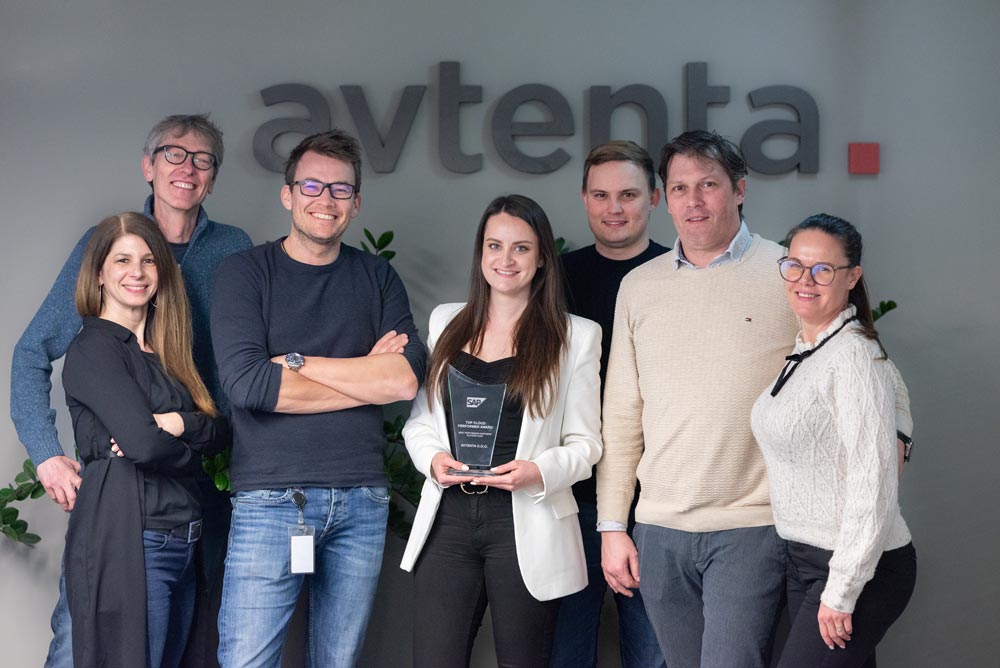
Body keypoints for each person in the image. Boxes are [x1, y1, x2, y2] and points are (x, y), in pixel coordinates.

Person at [597, 130, 913, 668]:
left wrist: (897, 439)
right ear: (664, 198)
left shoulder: (788, 271)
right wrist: (612, 525)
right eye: (680, 188)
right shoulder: (638, 286)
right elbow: (623, 414)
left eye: (708, 185)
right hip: (658, 528)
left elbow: (868, 362)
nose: (694, 201)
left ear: (739, 189)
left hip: (753, 525)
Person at [9, 113, 252, 668]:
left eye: (202, 159)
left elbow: (252, 356)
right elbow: (31, 353)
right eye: (174, 154)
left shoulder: (234, 248)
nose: (187, 168)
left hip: (207, 481)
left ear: (213, 178)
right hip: (130, 490)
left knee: (192, 642)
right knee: (86, 638)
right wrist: (46, 454)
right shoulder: (106, 244)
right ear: (148, 166)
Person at [211, 129, 425, 668]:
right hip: (270, 498)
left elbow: (403, 382)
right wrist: (364, 376)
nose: (325, 199)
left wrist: (297, 362)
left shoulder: (377, 276)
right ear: (288, 195)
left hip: (362, 499)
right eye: (311, 185)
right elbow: (248, 386)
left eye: (340, 189)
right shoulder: (244, 273)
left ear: (356, 203)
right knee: (246, 661)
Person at [400, 194, 603, 668]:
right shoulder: (446, 321)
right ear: (481, 253)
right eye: (495, 246)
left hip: (524, 519)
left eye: (521, 248)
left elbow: (586, 444)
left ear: (542, 258)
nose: (505, 259)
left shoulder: (577, 336)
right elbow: (422, 421)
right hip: (449, 519)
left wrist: (538, 471)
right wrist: (433, 459)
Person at [62, 213, 230, 668]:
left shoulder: (169, 351)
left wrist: (176, 424)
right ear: (99, 273)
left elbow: (219, 431)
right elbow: (144, 444)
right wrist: (183, 443)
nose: (136, 272)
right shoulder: (94, 349)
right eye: (122, 260)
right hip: (134, 541)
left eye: (148, 260)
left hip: (186, 540)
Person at [751, 214, 916, 665]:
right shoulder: (810, 350)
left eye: (822, 269)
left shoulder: (854, 355)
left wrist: (843, 590)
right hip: (803, 558)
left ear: (852, 277)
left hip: (856, 567)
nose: (805, 280)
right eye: (795, 266)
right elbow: (896, 407)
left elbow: (874, 482)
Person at [552, 141, 667, 668]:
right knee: (564, 652)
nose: (613, 208)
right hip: (567, 496)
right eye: (600, 195)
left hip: (654, 502)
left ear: (654, 198)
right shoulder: (553, 279)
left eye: (628, 195)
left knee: (654, 654)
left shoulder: (678, 274)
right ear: (584, 199)